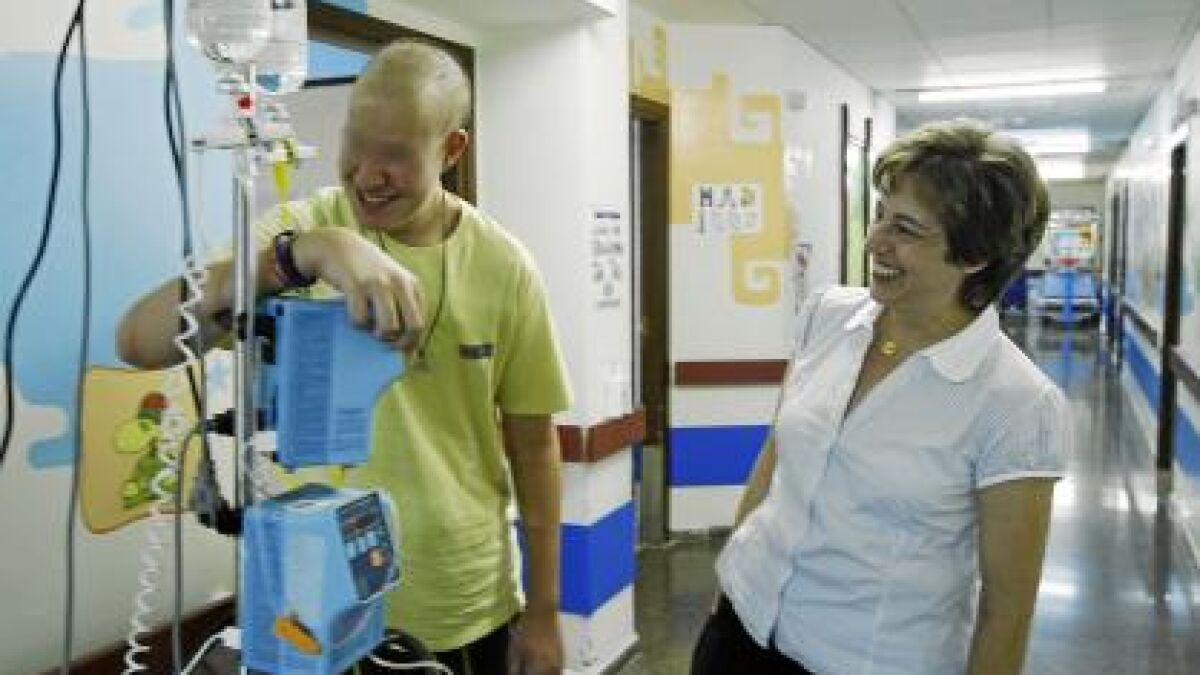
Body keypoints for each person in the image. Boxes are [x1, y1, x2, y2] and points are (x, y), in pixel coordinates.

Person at [117, 40, 571, 675]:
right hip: (309, 607)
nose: (367, 175)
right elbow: (139, 340)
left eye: (397, 155)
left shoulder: (505, 266)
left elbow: (534, 445)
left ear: (451, 151)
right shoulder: (299, 231)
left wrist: (545, 611)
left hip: (463, 600)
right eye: (356, 143)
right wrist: (307, 253)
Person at [692, 119, 1069, 675]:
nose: (875, 242)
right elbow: (775, 458)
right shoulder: (827, 316)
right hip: (741, 626)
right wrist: (732, 576)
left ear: (974, 256)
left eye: (906, 229)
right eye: (880, 215)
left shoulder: (1017, 403)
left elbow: (1005, 612)